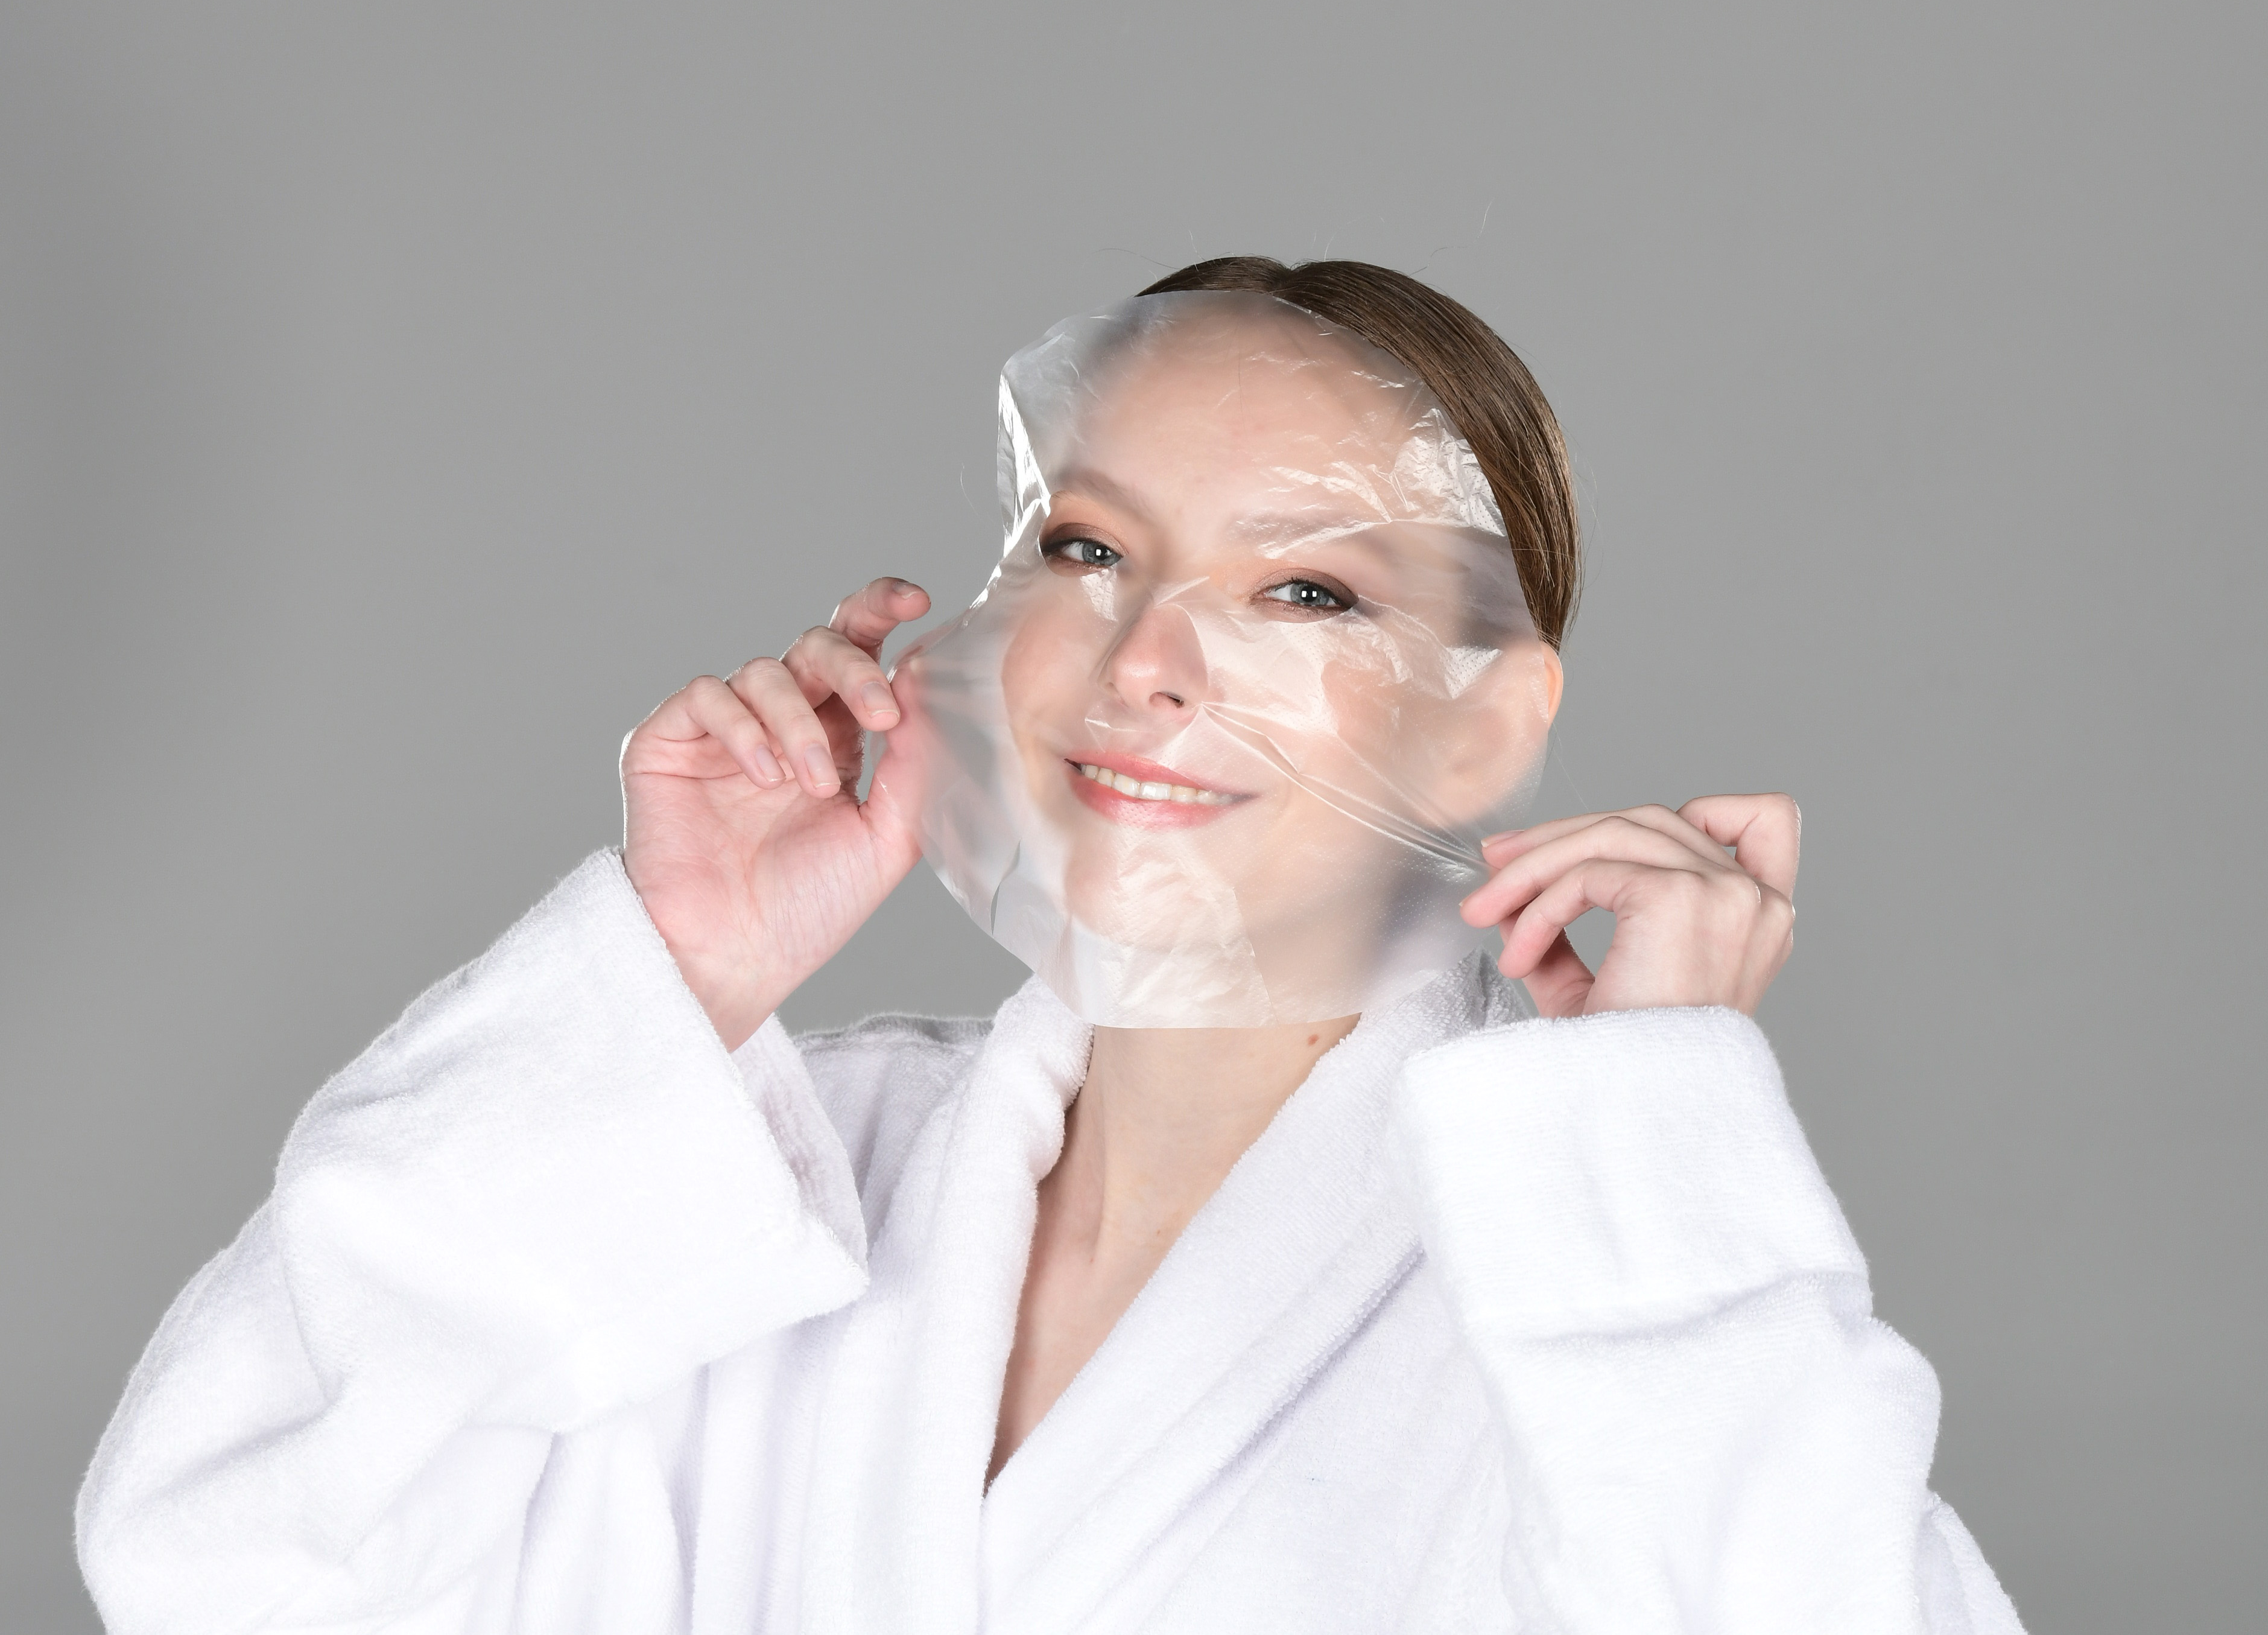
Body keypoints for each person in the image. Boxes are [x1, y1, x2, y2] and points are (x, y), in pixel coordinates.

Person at [77, 259, 2023, 1634]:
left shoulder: (1571, 1277)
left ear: (1485, 723)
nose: (1150, 661)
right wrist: (672, 983)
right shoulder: (757, 1192)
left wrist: (1653, 1140)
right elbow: (216, 1566)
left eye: (1305, 592)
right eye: (1089, 550)